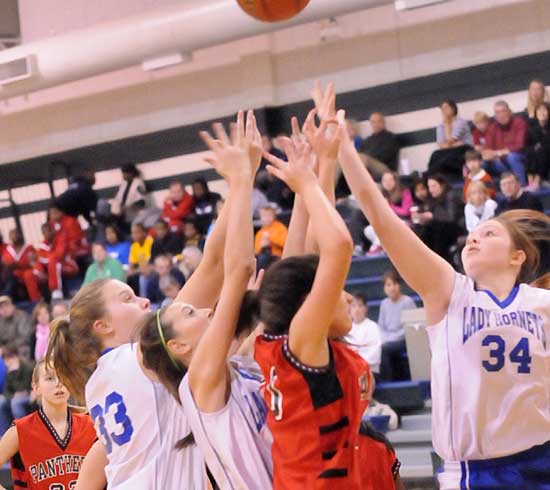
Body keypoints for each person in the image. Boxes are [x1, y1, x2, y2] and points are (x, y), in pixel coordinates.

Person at [337, 105, 550, 488]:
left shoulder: (543, 305)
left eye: (489, 235)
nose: (474, 237)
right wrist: (345, 153)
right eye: (474, 233)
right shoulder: (451, 292)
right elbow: (383, 219)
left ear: (518, 256)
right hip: (474, 472)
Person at [45, 116, 243, 490]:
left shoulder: (101, 383)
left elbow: (94, 468)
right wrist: (237, 183)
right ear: (102, 325)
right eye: (127, 298)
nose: (144, 299)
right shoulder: (139, 356)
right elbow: (215, 267)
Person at [140, 111, 274, 489]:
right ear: (180, 345)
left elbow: (278, 270)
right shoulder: (198, 382)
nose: (202, 307)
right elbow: (238, 268)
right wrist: (242, 180)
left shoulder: (237, 364)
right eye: (189, 312)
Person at [253, 114, 373, 489]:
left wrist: (324, 163)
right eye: (336, 291)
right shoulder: (302, 341)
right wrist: (307, 183)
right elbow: (338, 247)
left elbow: (311, 253)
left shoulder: (281, 339)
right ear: (310, 303)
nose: (347, 297)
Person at [0, 360, 96, 490]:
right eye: (50, 378)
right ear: (36, 388)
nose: (59, 383)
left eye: (64, 376)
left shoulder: (91, 425)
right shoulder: (20, 430)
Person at [377, 270, 415, 381]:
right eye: (388, 285)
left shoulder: (407, 301)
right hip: (388, 339)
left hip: (404, 339)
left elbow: (410, 327)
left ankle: (388, 381)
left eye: (394, 284)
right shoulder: (384, 304)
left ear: (399, 285)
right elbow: (381, 326)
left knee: (384, 349)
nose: (392, 288)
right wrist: (386, 338)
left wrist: (392, 338)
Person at [417, 174, 464, 262]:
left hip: (456, 228)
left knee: (438, 229)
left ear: (442, 185)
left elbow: (451, 218)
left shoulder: (451, 195)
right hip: (443, 228)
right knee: (426, 229)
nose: (431, 190)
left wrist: (432, 216)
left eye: (434, 186)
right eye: (429, 187)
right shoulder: (434, 200)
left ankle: (437, 261)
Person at [364, 172, 413, 255]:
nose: (388, 183)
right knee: (368, 230)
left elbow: (405, 212)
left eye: (390, 180)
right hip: (387, 222)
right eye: (385, 181)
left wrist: (389, 206)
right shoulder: (382, 195)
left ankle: (376, 248)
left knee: (386, 228)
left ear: (395, 181)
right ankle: (384, 248)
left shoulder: (404, 192)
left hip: (404, 221)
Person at [48, 203, 88, 300]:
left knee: (55, 261)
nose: (52, 216)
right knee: (51, 259)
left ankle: (57, 291)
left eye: (55, 213)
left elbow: (75, 243)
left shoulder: (71, 221)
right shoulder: (52, 224)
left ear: (61, 212)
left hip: (77, 251)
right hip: (63, 253)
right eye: (51, 213)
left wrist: (61, 253)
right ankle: (57, 291)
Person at [483, 100, 528, 186]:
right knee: (481, 163)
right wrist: (489, 155)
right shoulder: (492, 127)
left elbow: (519, 146)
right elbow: (487, 150)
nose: (501, 115)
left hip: (519, 157)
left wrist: (497, 153)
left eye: (503, 111)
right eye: (497, 112)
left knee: (512, 157)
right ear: (495, 116)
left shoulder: (519, 122)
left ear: (509, 112)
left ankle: (522, 186)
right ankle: (486, 191)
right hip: (500, 162)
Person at [428, 99, 473, 179]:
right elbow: (441, 145)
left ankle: (432, 174)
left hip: (465, 149)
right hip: (451, 149)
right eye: (442, 109)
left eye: (446, 108)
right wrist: (451, 144)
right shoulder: (440, 126)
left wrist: (447, 124)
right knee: (435, 154)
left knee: (453, 154)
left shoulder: (460, 122)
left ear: (453, 108)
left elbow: (450, 140)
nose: (443, 111)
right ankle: (432, 176)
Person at [345, 293, 382, 380]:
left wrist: (357, 363)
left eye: (360, 306)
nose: (357, 310)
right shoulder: (346, 329)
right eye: (353, 306)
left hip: (369, 370)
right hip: (351, 370)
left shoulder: (373, 327)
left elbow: (375, 354)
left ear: (366, 308)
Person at [0, 345, 34, 436]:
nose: (8, 363)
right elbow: (6, 391)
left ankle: (22, 432)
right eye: (6, 360)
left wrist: (16, 373)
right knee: (1, 401)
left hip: (28, 394)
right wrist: (14, 395)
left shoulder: (27, 367)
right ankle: (4, 435)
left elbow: (28, 387)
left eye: (10, 359)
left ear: (16, 357)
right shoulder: (9, 371)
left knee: (16, 403)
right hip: (15, 396)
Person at [1, 229, 40, 302]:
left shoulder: (28, 247)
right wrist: (20, 264)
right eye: (12, 235)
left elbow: (33, 262)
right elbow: (5, 264)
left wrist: (18, 264)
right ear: (9, 238)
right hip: (13, 275)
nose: (14, 236)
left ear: (20, 235)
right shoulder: (8, 250)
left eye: (16, 234)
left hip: (27, 273)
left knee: (29, 275)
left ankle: (35, 301)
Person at [359, 112, 400, 179]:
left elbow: (384, 157)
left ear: (383, 122)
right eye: (373, 122)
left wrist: (368, 158)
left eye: (379, 121)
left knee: (363, 158)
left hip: (386, 170)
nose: (376, 124)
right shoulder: (367, 141)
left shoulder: (391, 138)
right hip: (368, 169)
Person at [110, 164, 148, 233]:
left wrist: (127, 207)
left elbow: (142, 202)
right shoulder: (123, 184)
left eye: (125, 173)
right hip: (122, 216)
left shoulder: (138, 184)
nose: (123, 176)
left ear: (131, 173)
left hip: (134, 217)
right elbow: (118, 199)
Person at [254, 205, 288, 269]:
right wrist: (262, 246)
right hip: (263, 256)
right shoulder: (260, 232)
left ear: (274, 216)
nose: (266, 218)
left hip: (277, 256)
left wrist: (270, 238)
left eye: (269, 216)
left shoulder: (280, 228)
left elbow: (285, 243)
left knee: (263, 259)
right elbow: (256, 250)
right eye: (264, 216)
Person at [526, 101, 550, 189]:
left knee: (541, 149)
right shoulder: (533, 128)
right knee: (530, 150)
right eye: (539, 110)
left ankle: (537, 179)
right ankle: (530, 180)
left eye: (544, 110)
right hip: (536, 155)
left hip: (547, 154)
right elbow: (528, 144)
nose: (542, 113)